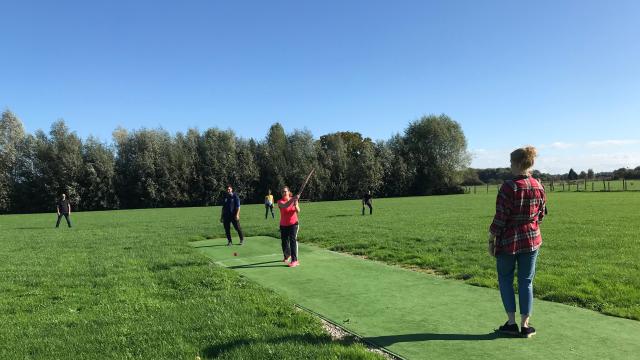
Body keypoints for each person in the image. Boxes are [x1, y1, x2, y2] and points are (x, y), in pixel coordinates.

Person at [488, 146, 546, 338]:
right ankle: (525, 325)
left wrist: (492, 237)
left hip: (509, 240)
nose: (510, 165)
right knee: (526, 281)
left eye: (511, 162)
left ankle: (511, 323)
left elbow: (501, 217)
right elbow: (541, 214)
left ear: (518, 163)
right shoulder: (538, 185)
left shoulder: (508, 186)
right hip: (532, 238)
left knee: (505, 279)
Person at [278, 186, 301, 267]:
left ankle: (295, 260)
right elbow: (286, 206)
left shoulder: (294, 200)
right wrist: (293, 199)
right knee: (284, 242)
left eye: (285, 191)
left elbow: (298, 210)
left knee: (292, 241)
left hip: (293, 224)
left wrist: (295, 204)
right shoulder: (280, 202)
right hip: (283, 225)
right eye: (282, 192)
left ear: (288, 192)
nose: (284, 193)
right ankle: (287, 255)